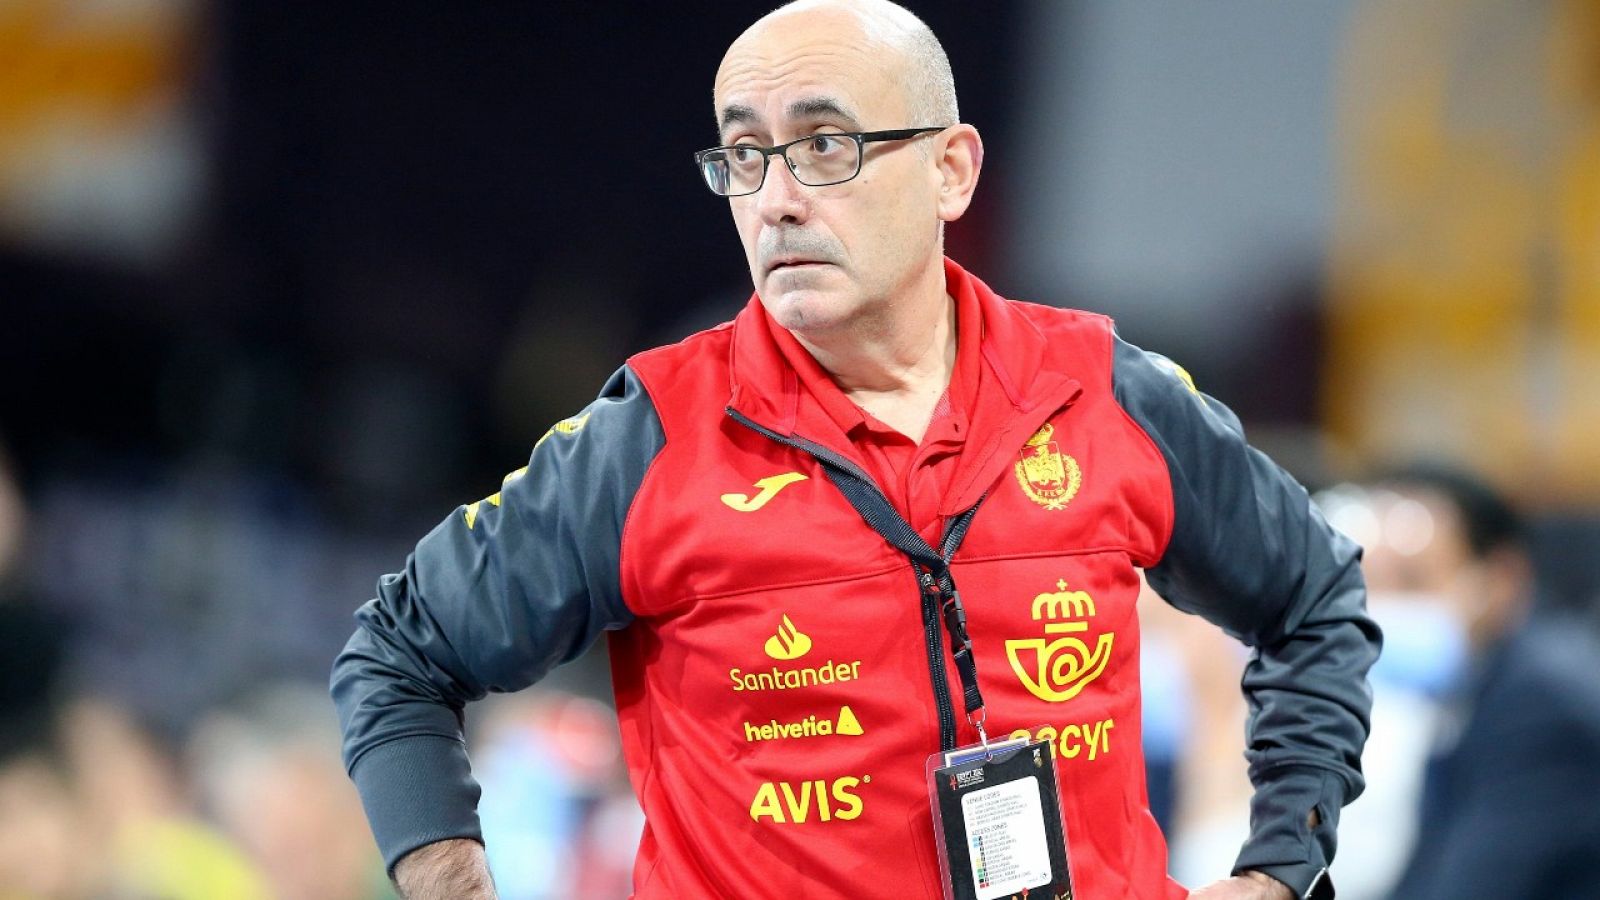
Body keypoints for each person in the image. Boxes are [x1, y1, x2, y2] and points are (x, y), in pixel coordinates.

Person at [330, 2, 1379, 898]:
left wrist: (1279, 866)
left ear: (951, 170)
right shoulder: (651, 434)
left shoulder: (1105, 392)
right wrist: (451, 875)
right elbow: (399, 654)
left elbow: (1315, 600)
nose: (777, 197)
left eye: (825, 145)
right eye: (744, 155)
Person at [1356, 466, 1600, 900]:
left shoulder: (1542, 706)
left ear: (1502, 578)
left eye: (1411, 581)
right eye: (1365, 582)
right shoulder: (1479, 686)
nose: (1379, 606)